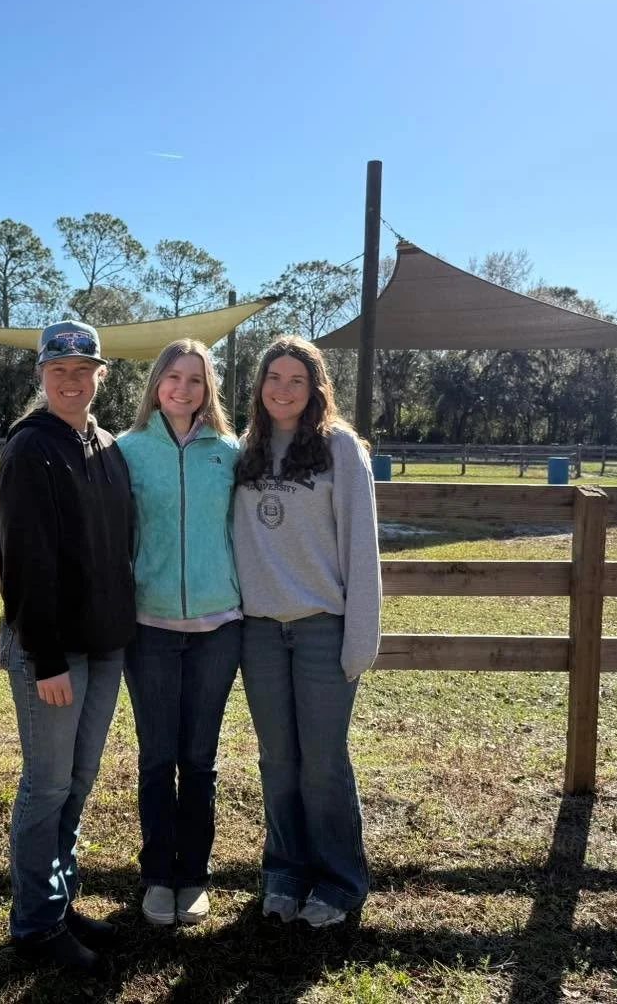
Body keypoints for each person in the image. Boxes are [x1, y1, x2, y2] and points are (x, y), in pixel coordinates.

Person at [0, 320, 136, 971]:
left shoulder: (105, 447)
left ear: (100, 376)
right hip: (52, 653)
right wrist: (47, 658)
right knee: (48, 785)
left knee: (78, 783)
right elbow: (25, 561)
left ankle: (59, 899)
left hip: (103, 646)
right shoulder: (31, 449)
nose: (72, 381)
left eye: (84, 371)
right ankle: (34, 924)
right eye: (60, 372)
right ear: (42, 377)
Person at [233, 334, 381, 929]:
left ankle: (339, 880)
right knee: (278, 760)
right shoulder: (245, 449)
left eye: (297, 380)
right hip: (261, 632)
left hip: (323, 628)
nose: (283, 390)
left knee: (322, 761)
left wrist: (359, 638)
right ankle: (285, 872)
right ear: (260, 386)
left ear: (316, 387)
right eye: (274, 378)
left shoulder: (340, 449)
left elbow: (362, 548)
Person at [116, 339, 242, 927]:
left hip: (219, 628)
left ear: (208, 388)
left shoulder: (232, 452)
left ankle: (193, 875)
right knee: (156, 756)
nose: (183, 389)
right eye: (173, 377)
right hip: (151, 628)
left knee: (199, 759)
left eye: (195, 379)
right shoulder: (127, 451)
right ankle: (156, 877)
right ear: (155, 384)